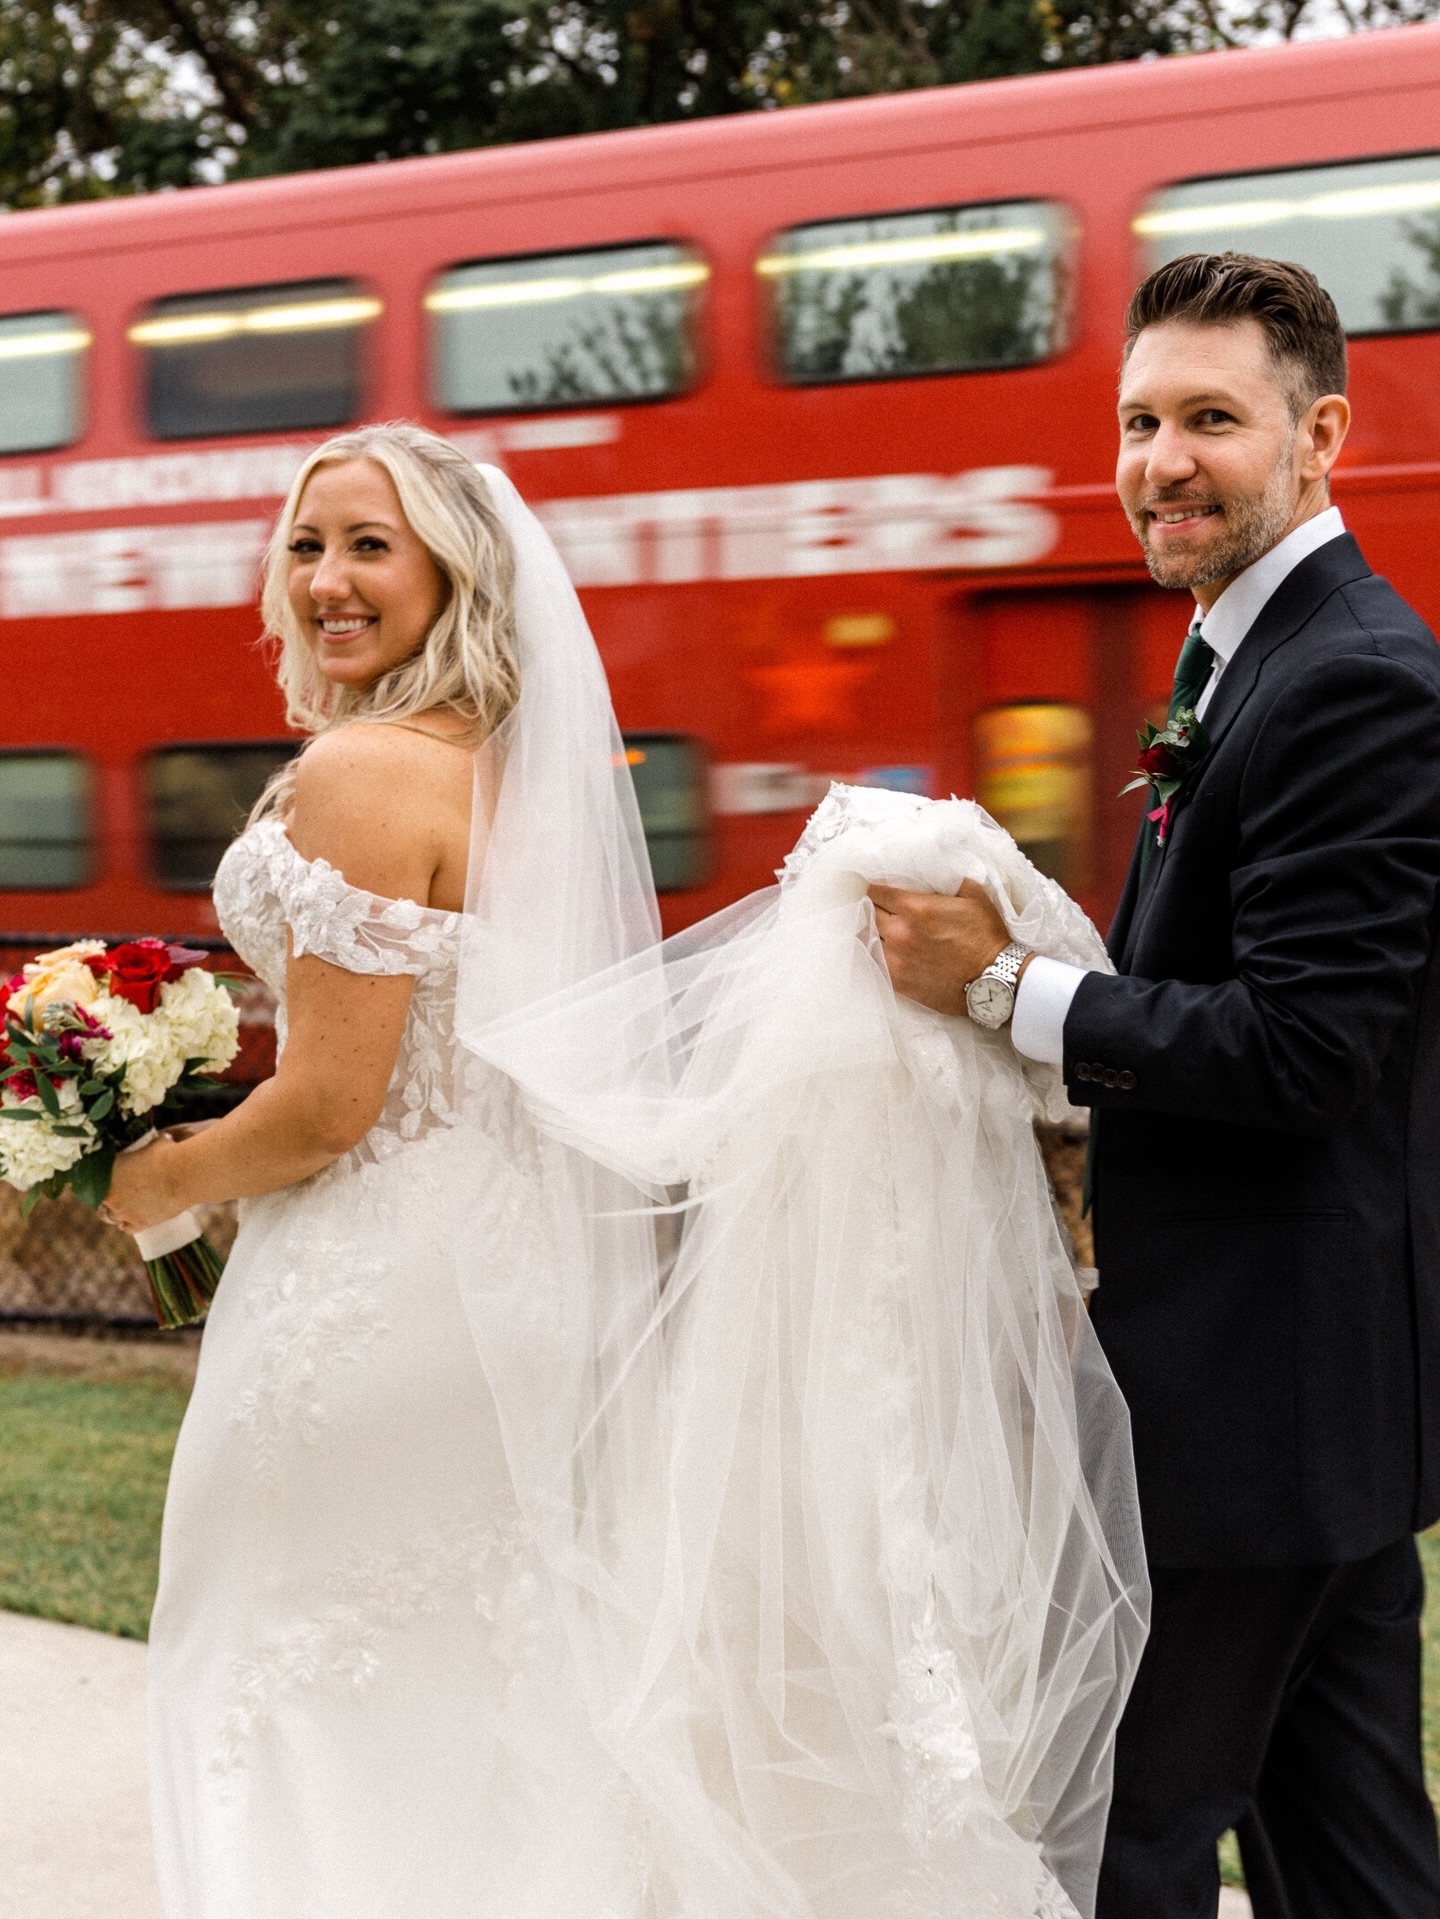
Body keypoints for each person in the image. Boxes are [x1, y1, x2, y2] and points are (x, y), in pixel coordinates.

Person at [106, 419, 1147, 1918]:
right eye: (307, 544)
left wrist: (163, 1174)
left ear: (454, 575)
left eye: (369, 546)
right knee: (482, 1674)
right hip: (508, 1279)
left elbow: (331, 1107)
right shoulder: (509, 774)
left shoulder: (356, 772)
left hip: (373, 1280)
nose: (327, 578)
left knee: (269, 1659)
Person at [868, 251, 1440, 1919]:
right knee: (1351, 1847)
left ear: (1319, 434)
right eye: (1138, 421)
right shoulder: (1240, 655)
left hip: (1260, 1398)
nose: (1161, 462)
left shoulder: (1350, 680)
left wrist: (996, 988)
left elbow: (1303, 1050)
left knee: (1116, 1834)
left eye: (1211, 420)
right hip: (1304, 1399)